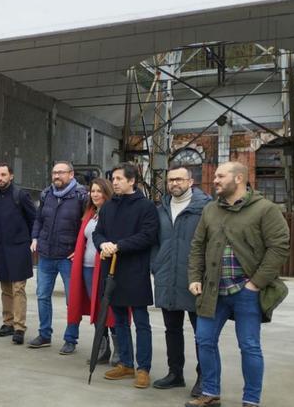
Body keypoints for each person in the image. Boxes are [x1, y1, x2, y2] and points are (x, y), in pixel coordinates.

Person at [186, 162, 289, 407]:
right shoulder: (211, 210)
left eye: (221, 176)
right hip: (213, 289)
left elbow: (280, 247)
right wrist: (194, 277)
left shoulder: (265, 209)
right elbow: (197, 246)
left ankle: (251, 400)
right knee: (204, 340)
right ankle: (210, 392)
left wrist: (256, 283)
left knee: (249, 346)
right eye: (215, 176)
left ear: (239, 178)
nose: (215, 180)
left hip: (247, 291)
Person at [94, 162, 159, 389]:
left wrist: (118, 246)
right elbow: (98, 232)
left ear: (132, 181)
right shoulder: (109, 206)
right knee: (119, 320)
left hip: (135, 271)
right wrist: (103, 244)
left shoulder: (146, 207)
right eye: (113, 179)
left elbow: (148, 236)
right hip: (111, 272)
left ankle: (143, 369)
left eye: (119, 179)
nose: (115, 182)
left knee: (141, 322)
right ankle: (126, 363)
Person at [151, 165, 211, 395]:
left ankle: (204, 378)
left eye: (179, 179)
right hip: (167, 277)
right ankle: (175, 373)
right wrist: (155, 265)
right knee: (171, 329)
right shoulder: (162, 209)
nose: (174, 184)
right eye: (170, 180)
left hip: (195, 279)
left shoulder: (205, 208)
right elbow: (155, 241)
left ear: (190, 181)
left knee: (202, 332)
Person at [29, 161, 87, 354]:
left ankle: (71, 338)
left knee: (72, 299)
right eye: (54, 172)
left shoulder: (81, 196)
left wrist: (80, 248)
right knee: (42, 295)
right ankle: (44, 334)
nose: (56, 176)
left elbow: (86, 225)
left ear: (71, 175)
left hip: (68, 257)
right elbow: (39, 219)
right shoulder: (47, 194)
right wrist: (35, 237)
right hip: (46, 255)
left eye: (61, 173)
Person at [0, 163, 37, 345]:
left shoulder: (20, 196)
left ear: (11, 176)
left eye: (3, 174)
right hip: (1, 248)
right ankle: (8, 323)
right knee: (5, 288)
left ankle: (19, 328)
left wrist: (32, 241)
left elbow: (34, 220)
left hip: (20, 248)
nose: (0, 178)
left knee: (18, 288)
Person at [67, 177, 116, 364]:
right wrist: (78, 253)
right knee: (97, 310)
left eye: (99, 191)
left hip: (103, 269)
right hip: (87, 269)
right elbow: (85, 239)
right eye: (92, 191)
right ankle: (102, 349)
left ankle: (119, 351)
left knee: (109, 310)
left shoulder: (111, 213)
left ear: (106, 192)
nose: (95, 194)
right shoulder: (90, 212)